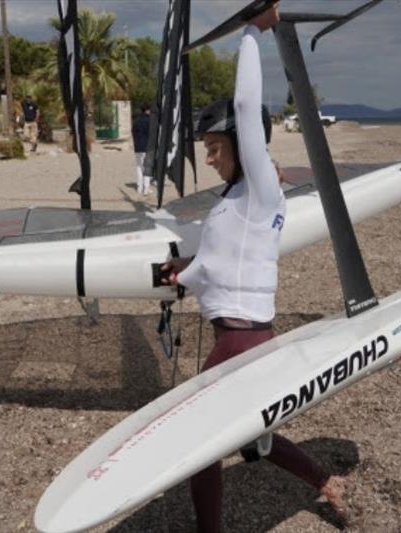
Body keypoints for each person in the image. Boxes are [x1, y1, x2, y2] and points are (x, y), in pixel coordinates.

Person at [160, 3, 348, 531]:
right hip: (242, 336)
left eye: (217, 148)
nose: (212, 158)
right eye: (208, 149)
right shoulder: (233, 201)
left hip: (240, 340)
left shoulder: (260, 190)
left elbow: (246, 106)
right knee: (253, 439)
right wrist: (184, 269)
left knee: (202, 445)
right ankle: (325, 483)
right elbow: (218, 266)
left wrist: (252, 31)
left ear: (244, 148)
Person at [131, 103, 152, 195]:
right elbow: (151, 134)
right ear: (147, 110)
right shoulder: (149, 121)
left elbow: (133, 132)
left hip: (137, 147)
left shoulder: (135, 121)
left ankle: (139, 187)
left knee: (139, 167)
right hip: (147, 147)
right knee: (147, 168)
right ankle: (146, 188)